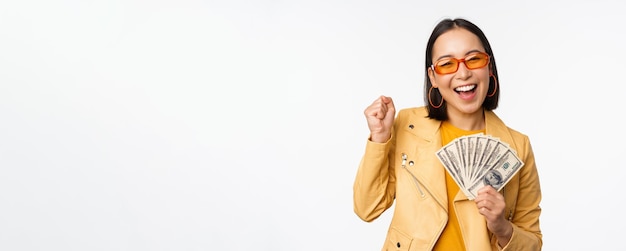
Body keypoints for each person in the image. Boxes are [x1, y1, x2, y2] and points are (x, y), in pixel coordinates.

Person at [353, 18, 542, 250]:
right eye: (446, 64)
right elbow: (367, 208)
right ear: (433, 77)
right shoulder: (407, 125)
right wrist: (379, 138)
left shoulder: (517, 146)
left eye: (473, 59)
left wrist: (502, 228)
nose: (463, 73)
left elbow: (533, 242)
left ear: (489, 67)